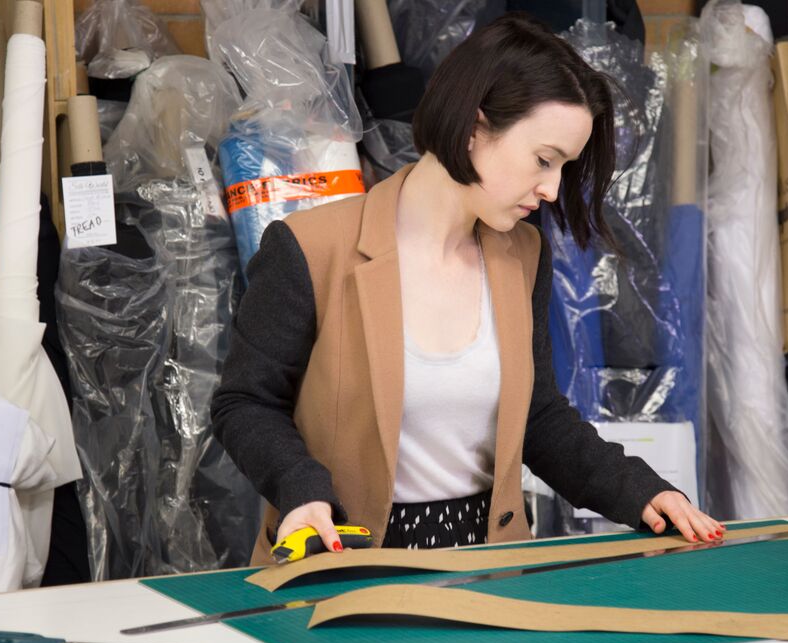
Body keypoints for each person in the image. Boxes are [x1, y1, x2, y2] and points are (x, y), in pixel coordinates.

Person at [211, 13, 723, 564]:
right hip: (343, 560)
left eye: (563, 168)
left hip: (491, 564)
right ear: (474, 128)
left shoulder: (523, 255)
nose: (552, 189)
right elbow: (247, 401)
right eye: (544, 160)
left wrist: (640, 491)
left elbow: (539, 417)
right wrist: (299, 486)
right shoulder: (311, 248)